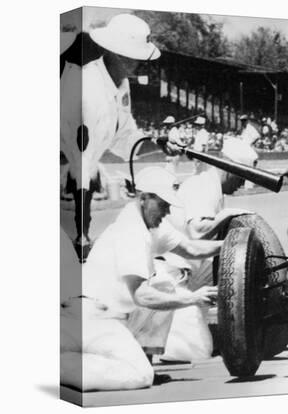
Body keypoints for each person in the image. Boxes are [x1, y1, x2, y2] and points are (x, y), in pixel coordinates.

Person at [60, 167, 223, 391]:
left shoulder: (149, 222)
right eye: (163, 204)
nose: (167, 212)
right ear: (144, 198)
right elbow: (142, 296)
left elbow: (192, 249)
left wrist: (236, 243)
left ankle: (137, 358)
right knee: (139, 376)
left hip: (101, 314)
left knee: (163, 285)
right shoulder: (131, 232)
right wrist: (193, 298)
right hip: (93, 318)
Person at [61, 14, 160, 261]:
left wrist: (157, 145)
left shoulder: (122, 84)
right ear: (110, 50)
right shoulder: (86, 86)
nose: (134, 61)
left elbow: (125, 135)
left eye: (136, 55)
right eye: (127, 54)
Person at [155, 138, 257, 362]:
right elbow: (198, 232)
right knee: (192, 350)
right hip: (171, 276)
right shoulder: (204, 186)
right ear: (229, 170)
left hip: (186, 270)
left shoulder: (211, 187)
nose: (243, 185)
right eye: (241, 177)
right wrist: (228, 215)